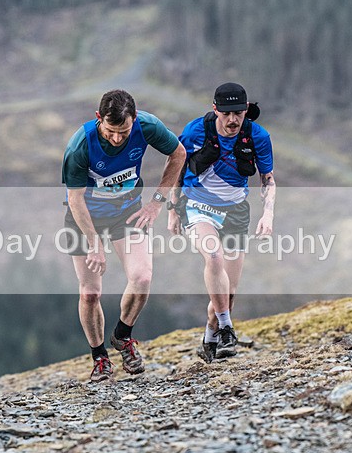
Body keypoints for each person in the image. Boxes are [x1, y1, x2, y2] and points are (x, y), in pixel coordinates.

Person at [62, 89, 186, 382]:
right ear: (98, 120)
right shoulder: (80, 146)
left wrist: (157, 203)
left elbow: (178, 153)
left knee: (142, 278)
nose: (117, 138)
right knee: (90, 293)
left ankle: (122, 336)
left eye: (124, 132)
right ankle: (99, 358)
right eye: (111, 131)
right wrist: (94, 243)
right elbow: (76, 200)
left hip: (126, 213)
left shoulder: (148, 126)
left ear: (135, 119)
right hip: (85, 218)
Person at [168, 82, 276, 362]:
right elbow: (177, 168)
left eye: (238, 113)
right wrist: (171, 209)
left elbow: (268, 180)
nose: (232, 120)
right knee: (213, 257)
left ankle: (210, 337)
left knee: (228, 291)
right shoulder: (195, 131)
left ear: (246, 109)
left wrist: (268, 214)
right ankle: (228, 328)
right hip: (197, 206)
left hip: (236, 211)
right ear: (215, 109)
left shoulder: (258, 136)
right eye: (226, 113)